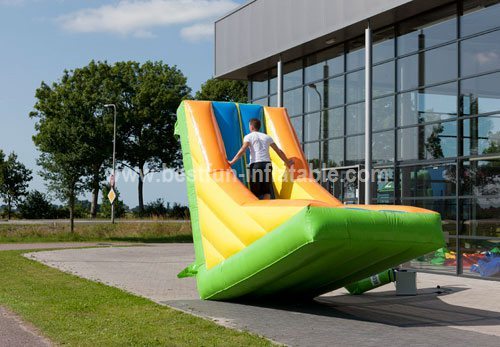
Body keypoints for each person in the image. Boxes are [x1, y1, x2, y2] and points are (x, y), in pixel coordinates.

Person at [228, 118, 293, 200]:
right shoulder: (267, 137)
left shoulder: (248, 137)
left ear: (251, 127)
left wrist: (232, 162)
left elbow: (243, 150)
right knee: (266, 190)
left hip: (256, 165)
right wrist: (287, 162)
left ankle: (256, 209)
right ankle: (267, 209)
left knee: (254, 191)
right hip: (267, 165)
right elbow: (278, 151)